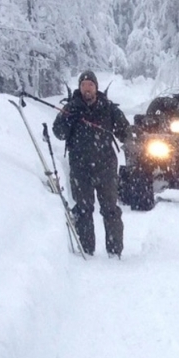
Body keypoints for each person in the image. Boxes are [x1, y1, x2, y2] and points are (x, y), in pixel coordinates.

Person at [52, 70, 131, 257]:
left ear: (96, 88)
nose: (87, 89)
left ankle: (114, 251)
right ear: (79, 88)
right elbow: (58, 133)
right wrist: (67, 119)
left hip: (106, 168)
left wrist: (130, 137)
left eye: (90, 85)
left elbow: (125, 131)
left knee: (110, 209)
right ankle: (86, 250)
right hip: (80, 168)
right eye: (84, 85)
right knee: (83, 209)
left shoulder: (108, 108)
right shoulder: (70, 108)